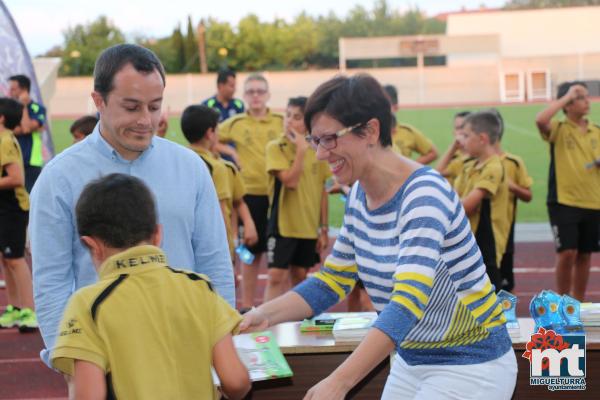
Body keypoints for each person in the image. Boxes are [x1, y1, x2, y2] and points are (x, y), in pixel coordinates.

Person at [240, 74, 517, 400]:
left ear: (370, 131)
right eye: (315, 141)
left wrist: (339, 382)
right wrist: (262, 315)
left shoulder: (424, 194)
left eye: (329, 139)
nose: (319, 154)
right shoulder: (359, 194)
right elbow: (332, 281)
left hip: (472, 362)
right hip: (412, 356)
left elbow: (407, 302)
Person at [29, 44, 234, 369]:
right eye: (131, 107)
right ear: (98, 101)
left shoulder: (190, 167)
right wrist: (70, 364)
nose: (145, 120)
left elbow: (214, 262)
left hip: (188, 355)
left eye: (154, 107)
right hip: (103, 362)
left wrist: (222, 347)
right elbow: (51, 279)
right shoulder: (59, 178)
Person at [50, 173, 250, 400]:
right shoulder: (199, 287)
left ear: (92, 245)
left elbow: (88, 396)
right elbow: (235, 381)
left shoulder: (87, 304)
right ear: (158, 234)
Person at [216, 73, 284, 311]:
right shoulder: (235, 123)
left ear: (267, 95)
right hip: (250, 195)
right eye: (251, 91)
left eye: (260, 91)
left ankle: (271, 311)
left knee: (277, 258)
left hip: (278, 196)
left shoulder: (280, 121)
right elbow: (212, 138)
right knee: (251, 253)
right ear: (244, 96)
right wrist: (232, 153)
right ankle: (246, 309)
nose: (255, 96)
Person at [535, 81, 600, 301]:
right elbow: (540, 120)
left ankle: (577, 303)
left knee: (584, 254)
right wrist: (566, 95)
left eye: (584, 96)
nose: (586, 101)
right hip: (564, 200)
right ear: (567, 104)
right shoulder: (559, 129)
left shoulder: (596, 131)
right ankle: (562, 303)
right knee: (567, 252)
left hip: (592, 200)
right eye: (579, 97)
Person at [263, 97, 330, 301]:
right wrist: (301, 150)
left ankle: (296, 327)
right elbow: (290, 182)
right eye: (288, 115)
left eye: (297, 117)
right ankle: (267, 328)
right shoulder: (276, 147)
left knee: (300, 277)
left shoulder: (319, 152)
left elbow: (323, 192)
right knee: (276, 276)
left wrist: (323, 229)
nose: (289, 121)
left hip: (308, 226)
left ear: (308, 123)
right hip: (283, 224)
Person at [180, 104, 257, 259]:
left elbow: (238, 201)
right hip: (212, 250)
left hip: (184, 245)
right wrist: (229, 252)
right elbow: (221, 214)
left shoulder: (178, 159)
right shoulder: (218, 168)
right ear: (210, 133)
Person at [453, 111, 510, 291]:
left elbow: (467, 206)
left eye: (467, 135)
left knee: (492, 302)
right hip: (470, 243)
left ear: (482, 138)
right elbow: (453, 197)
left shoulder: (493, 166)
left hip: (487, 247)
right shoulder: (469, 166)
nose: (462, 140)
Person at [0, 98, 37, 332]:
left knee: (15, 259)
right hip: (4, 206)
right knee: (6, 259)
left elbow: (16, 179)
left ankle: (30, 310)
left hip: (12, 206)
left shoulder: (5, 141)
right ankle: (14, 307)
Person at [491, 110, 533, 292]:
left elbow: (528, 196)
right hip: (478, 232)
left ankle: (508, 320)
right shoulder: (469, 164)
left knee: (506, 287)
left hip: (505, 230)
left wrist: (512, 187)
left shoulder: (513, 162)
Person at [8, 75, 47, 193]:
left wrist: (24, 106)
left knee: (30, 196)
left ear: (24, 90)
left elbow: (25, 129)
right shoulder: (9, 108)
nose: (10, 92)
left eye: (13, 89)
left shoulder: (37, 108)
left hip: (31, 161)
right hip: (12, 159)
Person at [383, 84, 438, 165]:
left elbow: (432, 153)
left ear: (395, 107)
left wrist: (409, 167)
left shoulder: (408, 132)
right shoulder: (372, 134)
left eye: (385, 106)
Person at [436, 111, 472, 186]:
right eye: (457, 128)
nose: (460, 132)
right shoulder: (452, 156)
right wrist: (453, 147)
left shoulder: (478, 156)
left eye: (463, 127)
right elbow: (437, 173)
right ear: (453, 132)